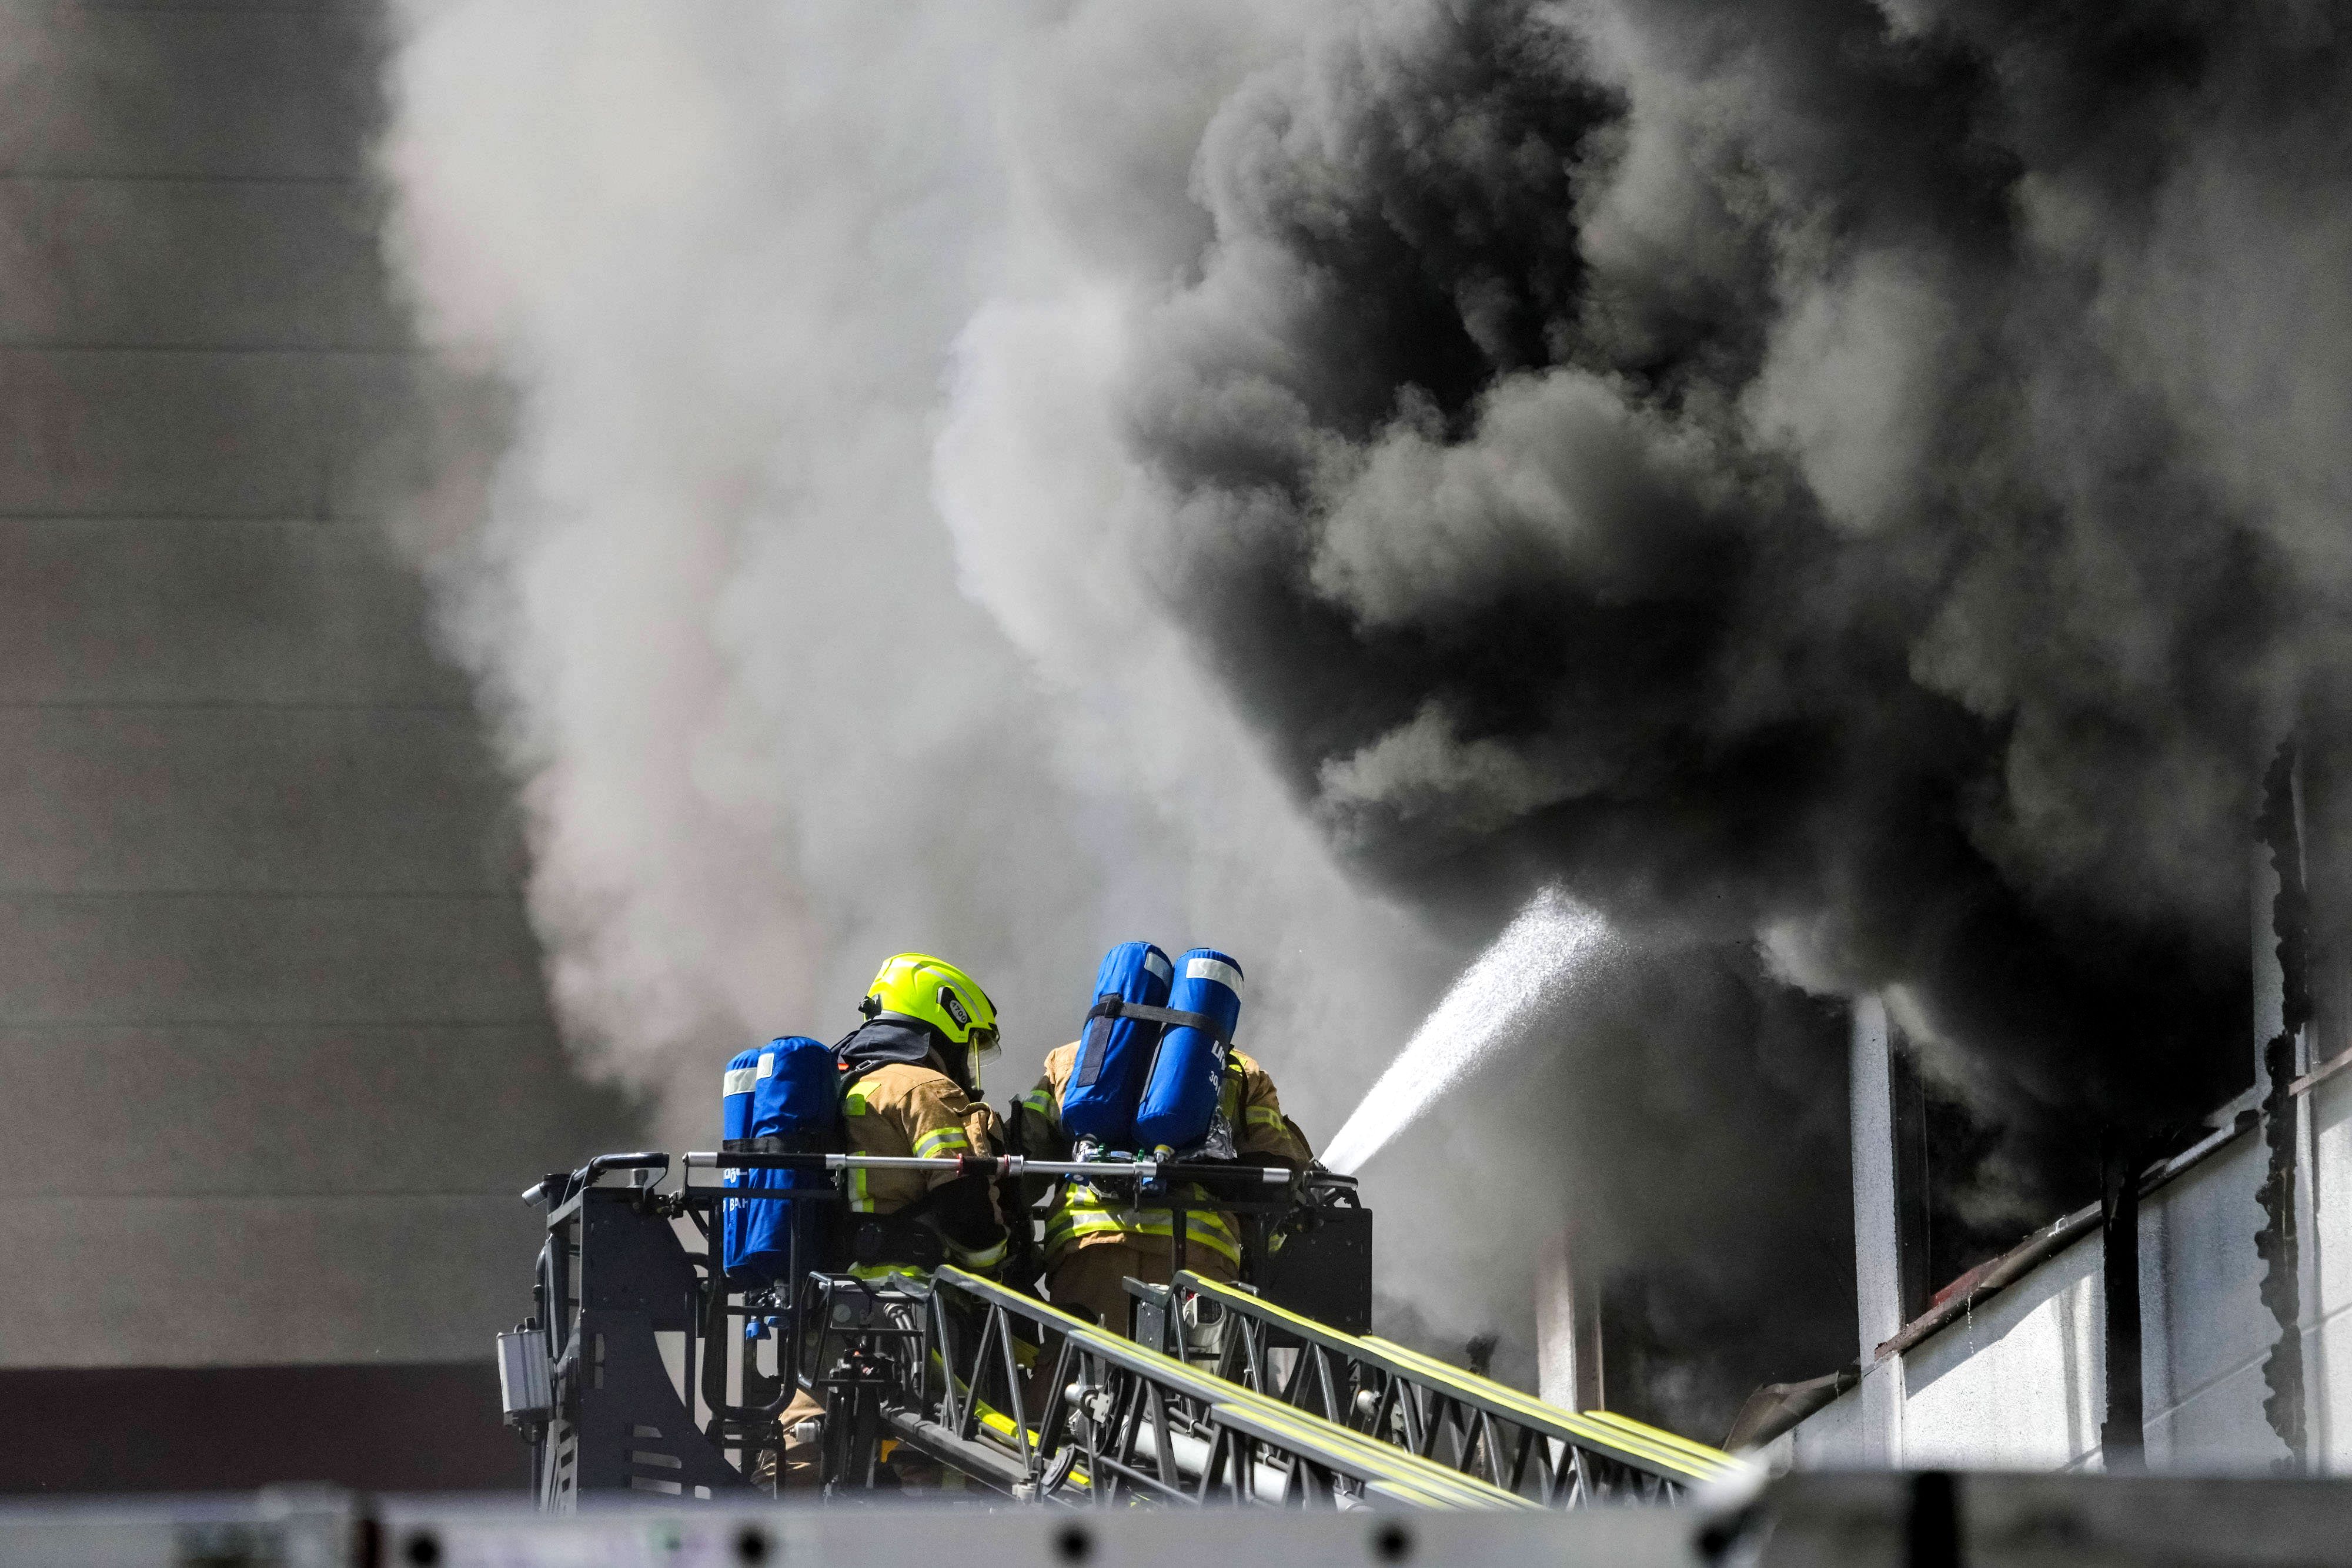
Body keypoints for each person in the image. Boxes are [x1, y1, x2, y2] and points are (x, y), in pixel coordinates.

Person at [766, 952, 1010, 1490]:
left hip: (829, 1307)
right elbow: (965, 1204)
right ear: (943, 1018)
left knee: (803, 1448)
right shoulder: (923, 1088)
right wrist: (997, 1263)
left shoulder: (844, 1084)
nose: (969, 1064)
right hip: (914, 1314)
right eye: (970, 1044)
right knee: (938, 1461)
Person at [1010, 1041, 1312, 1336]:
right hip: (1198, 1256)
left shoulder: (1071, 1059)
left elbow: (1022, 1170)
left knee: (1075, 1373)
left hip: (1089, 1247)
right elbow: (1274, 1181)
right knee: (1198, 1380)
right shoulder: (1240, 1070)